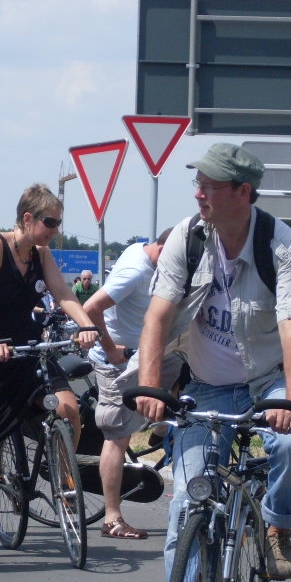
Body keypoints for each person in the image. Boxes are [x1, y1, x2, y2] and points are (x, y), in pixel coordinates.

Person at [132, 143, 291, 582]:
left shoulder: (281, 244)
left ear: (243, 192)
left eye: (210, 185)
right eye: (199, 183)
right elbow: (157, 316)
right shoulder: (187, 238)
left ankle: (277, 526)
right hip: (206, 384)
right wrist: (150, 388)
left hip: (266, 380)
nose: (199, 193)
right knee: (187, 502)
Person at [0, 183, 97, 562]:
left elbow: (63, 294)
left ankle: (60, 474)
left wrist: (86, 324)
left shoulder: (40, 254)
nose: (55, 230)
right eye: (50, 222)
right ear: (28, 218)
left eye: (59, 223)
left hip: (27, 351)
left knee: (70, 409)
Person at [82, 228, 179, 541]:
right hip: (118, 362)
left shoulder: (143, 251)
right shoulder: (136, 271)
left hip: (148, 354)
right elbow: (91, 308)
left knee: (186, 373)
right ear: (162, 249)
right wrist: (111, 349)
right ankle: (112, 518)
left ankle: (161, 427)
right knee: (117, 436)